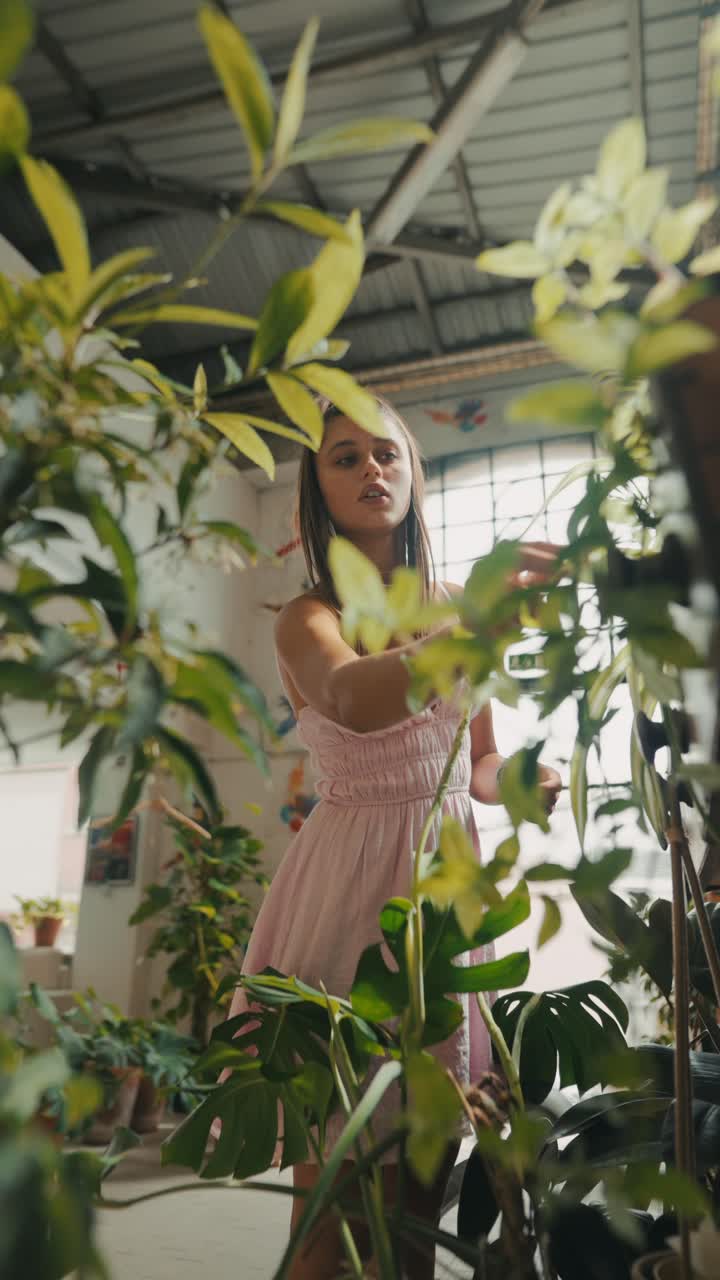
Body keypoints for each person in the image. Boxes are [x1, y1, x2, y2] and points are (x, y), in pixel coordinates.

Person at [224, 395, 562, 1279]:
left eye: (387, 454)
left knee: (421, 1182)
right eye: (346, 457)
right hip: (347, 888)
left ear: (413, 478)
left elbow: (477, 763)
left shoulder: (454, 601)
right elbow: (354, 698)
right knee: (334, 1190)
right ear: (317, 486)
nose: (372, 469)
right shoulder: (307, 617)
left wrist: (522, 782)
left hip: (446, 903)